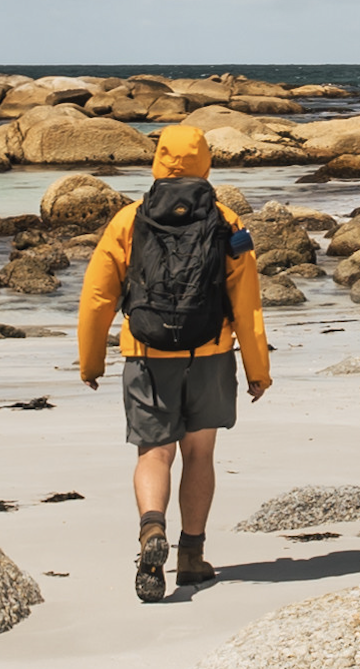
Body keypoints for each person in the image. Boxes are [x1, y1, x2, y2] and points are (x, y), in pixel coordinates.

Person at [77, 125, 271, 603]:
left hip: (146, 354)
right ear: (206, 161)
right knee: (199, 455)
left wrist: (91, 360)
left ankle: (150, 532)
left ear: (158, 161)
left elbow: (98, 297)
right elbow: (246, 303)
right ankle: (191, 556)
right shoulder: (228, 222)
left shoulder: (129, 220)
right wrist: (257, 369)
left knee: (154, 453)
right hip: (209, 353)